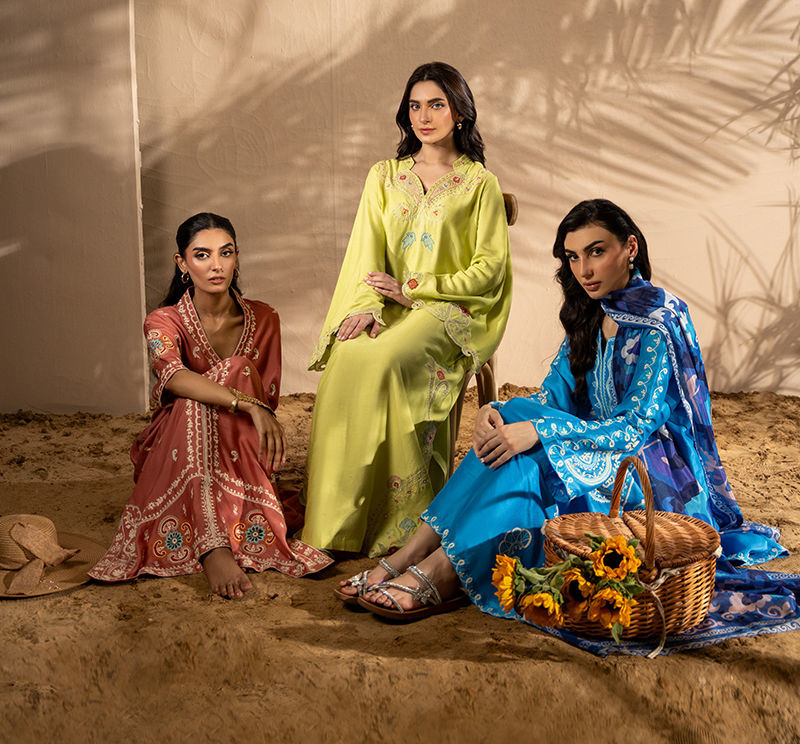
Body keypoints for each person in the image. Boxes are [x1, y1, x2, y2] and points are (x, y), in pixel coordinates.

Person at [344, 198, 792, 627]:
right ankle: (412, 555)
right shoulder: (592, 311)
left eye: (596, 252)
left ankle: (442, 570)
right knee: (514, 417)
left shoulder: (660, 318)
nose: (584, 270)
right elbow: (551, 398)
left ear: (630, 247)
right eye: (573, 257)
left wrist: (542, 433)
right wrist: (494, 413)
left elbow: (636, 427)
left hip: (645, 469)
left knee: (533, 447)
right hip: (593, 443)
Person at [301, 63, 513, 559]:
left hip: (451, 308)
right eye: (415, 106)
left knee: (386, 361)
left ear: (460, 112)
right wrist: (369, 305)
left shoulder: (479, 184)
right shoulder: (384, 176)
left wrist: (416, 289)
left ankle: (402, 523)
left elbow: (490, 268)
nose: (424, 116)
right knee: (348, 358)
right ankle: (336, 524)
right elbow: (365, 253)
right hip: (387, 304)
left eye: (437, 104)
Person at [91, 212, 331, 598]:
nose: (216, 265)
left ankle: (220, 534)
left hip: (241, 446)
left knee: (235, 372)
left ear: (237, 259)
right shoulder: (162, 320)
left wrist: (251, 404)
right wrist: (245, 404)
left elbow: (265, 394)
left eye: (226, 253)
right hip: (173, 446)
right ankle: (212, 546)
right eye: (202, 255)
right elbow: (173, 376)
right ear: (182, 263)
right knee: (193, 400)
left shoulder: (265, 318)